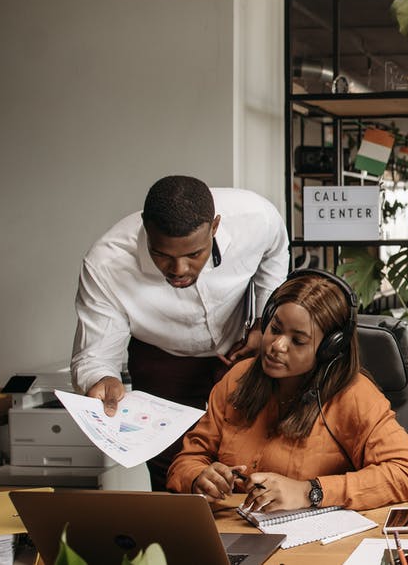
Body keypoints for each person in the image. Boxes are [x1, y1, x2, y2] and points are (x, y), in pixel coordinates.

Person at [70, 175, 289, 490]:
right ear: (146, 228)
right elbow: (95, 355)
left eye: (194, 254)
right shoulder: (106, 263)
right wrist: (99, 379)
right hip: (162, 362)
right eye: (162, 255)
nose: (179, 269)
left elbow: (275, 254)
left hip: (237, 354)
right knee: (174, 473)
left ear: (214, 227)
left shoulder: (255, 217)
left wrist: (264, 324)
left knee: (250, 463)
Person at [166, 269, 408, 510]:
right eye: (275, 329)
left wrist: (310, 491)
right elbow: (187, 461)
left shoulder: (354, 395)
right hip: (235, 532)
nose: (277, 345)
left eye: (298, 341)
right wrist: (198, 477)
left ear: (329, 348)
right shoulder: (238, 377)